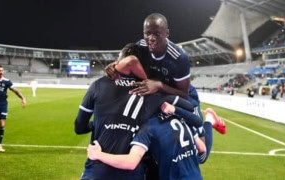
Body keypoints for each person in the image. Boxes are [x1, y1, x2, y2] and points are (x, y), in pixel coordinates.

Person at [75, 43, 201, 180]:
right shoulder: (154, 93)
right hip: (134, 174)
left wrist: (96, 125)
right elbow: (189, 106)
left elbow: (79, 127)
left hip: (96, 172)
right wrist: (169, 102)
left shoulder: (99, 85)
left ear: (120, 60)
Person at [87, 103, 207, 180]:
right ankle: (210, 121)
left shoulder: (148, 127)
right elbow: (202, 148)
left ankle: (210, 121)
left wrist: (98, 154)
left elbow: (131, 162)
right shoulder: (180, 118)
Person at [106, 13, 191, 98]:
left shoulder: (178, 57)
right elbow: (127, 59)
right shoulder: (140, 46)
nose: (151, 38)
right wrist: (115, 65)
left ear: (167, 33)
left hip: (172, 95)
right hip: (154, 93)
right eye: (147, 33)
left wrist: (159, 86)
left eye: (157, 33)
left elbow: (184, 94)